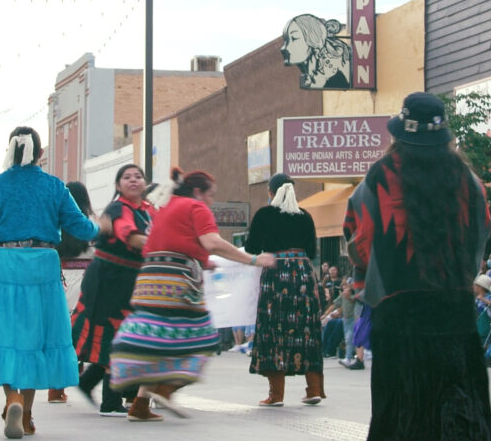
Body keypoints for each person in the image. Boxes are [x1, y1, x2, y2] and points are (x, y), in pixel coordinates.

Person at [344, 92, 491, 441]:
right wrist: (464, 272)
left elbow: (359, 234)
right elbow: (483, 229)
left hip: (398, 296)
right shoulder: (465, 177)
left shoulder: (379, 175)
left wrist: (370, 276)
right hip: (452, 296)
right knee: (455, 378)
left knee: (396, 376)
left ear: (400, 132)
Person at [0, 126, 99, 439]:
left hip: (2, 268)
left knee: (6, 339)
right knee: (35, 340)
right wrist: (102, 227)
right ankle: (25, 414)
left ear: (9, 149)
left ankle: (12, 398)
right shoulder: (53, 186)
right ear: (40, 154)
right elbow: (79, 226)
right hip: (41, 267)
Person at [109, 167, 277, 422]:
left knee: (161, 340)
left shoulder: (165, 206)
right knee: (202, 338)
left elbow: (174, 241)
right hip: (176, 281)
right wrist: (253, 259)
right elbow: (213, 243)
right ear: (198, 191)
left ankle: (140, 405)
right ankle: (167, 387)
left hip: (149, 280)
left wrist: (201, 260)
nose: (211, 200)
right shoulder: (196, 207)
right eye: (211, 194)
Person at [71, 165, 153, 416]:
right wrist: (161, 244)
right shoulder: (118, 209)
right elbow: (130, 236)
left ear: (145, 183)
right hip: (109, 278)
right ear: (118, 186)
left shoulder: (149, 211)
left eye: (138, 176)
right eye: (127, 177)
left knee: (122, 334)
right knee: (116, 333)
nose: (133, 180)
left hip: (130, 278)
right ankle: (110, 400)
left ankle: (89, 384)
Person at [244, 173, 324, 406]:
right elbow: (312, 252)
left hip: (276, 274)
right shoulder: (305, 216)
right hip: (303, 274)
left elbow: (251, 248)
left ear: (270, 192)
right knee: (306, 329)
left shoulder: (264, 215)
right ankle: (313, 389)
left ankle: (276, 394)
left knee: (274, 329)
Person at [49, 180, 97, 404]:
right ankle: (79, 369)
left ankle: (56, 388)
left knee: (61, 334)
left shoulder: (55, 224)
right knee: (82, 330)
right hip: (85, 281)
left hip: (61, 280)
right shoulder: (89, 224)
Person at [280, 14, 351, 89]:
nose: (284, 48)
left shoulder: (336, 76)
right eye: (286, 41)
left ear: (313, 40)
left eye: (294, 38)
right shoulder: (313, 72)